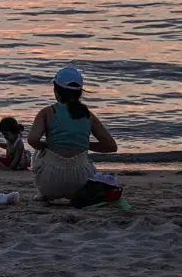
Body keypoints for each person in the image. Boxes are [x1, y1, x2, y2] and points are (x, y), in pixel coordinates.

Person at [27, 67, 118, 200]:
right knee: (83, 157)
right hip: (80, 182)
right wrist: (82, 145)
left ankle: (44, 195)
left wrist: (47, 145)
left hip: (49, 182)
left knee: (39, 151)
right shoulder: (87, 115)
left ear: (56, 91)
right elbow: (111, 146)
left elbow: (32, 140)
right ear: (80, 93)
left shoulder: (48, 112)